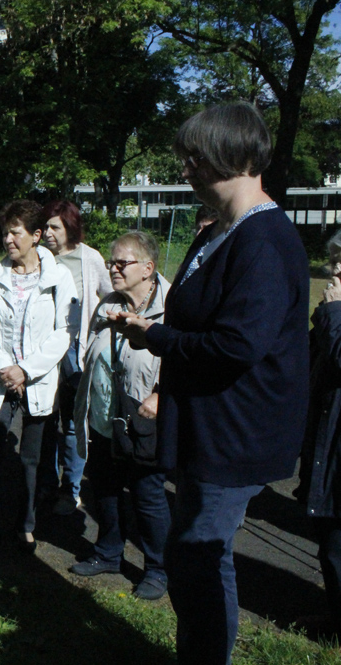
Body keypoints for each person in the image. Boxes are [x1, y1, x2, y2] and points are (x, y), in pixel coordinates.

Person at [115, 102, 309, 664]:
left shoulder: (265, 241)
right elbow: (199, 318)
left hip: (238, 433)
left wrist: (156, 338)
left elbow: (237, 345)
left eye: (194, 157)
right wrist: (153, 328)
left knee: (199, 556)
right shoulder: (220, 232)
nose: (185, 170)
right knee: (192, 554)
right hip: (206, 425)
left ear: (233, 154)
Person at [0, 200, 77, 554]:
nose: (8, 239)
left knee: (31, 460)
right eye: (4, 232)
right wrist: (4, 367)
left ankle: (25, 526)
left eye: (15, 232)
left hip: (36, 380)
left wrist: (26, 370)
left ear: (36, 235)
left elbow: (65, 331)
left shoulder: (59, 277)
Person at [69, 231, 172, 602]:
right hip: (104, 416)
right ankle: (108, 553)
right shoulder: (108, 303)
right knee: (106, 490)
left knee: (148, 497)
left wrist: (161, 395)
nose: (112, 268)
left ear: (148, 268)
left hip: (145, 419)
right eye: (111, 261)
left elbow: (184, 361)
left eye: (121, 263)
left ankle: (158, 570)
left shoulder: (172, 305)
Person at [40, 200, 112, 515]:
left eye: (55, 227)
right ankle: (43, 485)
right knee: (43, 420)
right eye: (46, 227)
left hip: (74, 352)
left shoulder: (89, 258)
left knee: (72, 423)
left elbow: (112, 296)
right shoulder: (40, 259)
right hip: (42, 351)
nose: (48, 234)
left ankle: (70, 490)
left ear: (71, 227)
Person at [298, 230, 341, 636]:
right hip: (326, 444)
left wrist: (334, 313)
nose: (335, 271)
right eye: (335, 262)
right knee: (329, 543)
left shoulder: (337, 312)